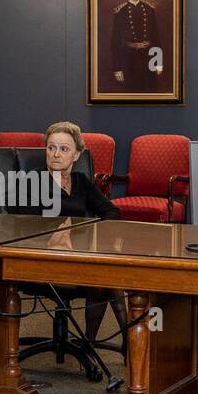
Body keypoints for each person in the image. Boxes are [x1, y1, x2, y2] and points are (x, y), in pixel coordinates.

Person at [32, 121, 127, 346]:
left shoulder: (80, 181)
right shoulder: (33, 181)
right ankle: (121, 341)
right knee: (103, 276)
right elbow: (25, 221)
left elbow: (111, 210)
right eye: (51, 147)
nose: (55, 154)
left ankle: (90, 342)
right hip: (43, 257)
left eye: (64, 149)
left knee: (105, 276)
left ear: (76, 155)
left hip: (76, 254)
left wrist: (95, 230)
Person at [110, 0, 163, 93]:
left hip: (149, 57)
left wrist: (158, 62)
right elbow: (116, 42)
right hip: (129, 59)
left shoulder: (149, 9)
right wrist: (117, 68)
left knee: (151, 91)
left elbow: (156, 38)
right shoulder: (120, 12)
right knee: (132, 92)